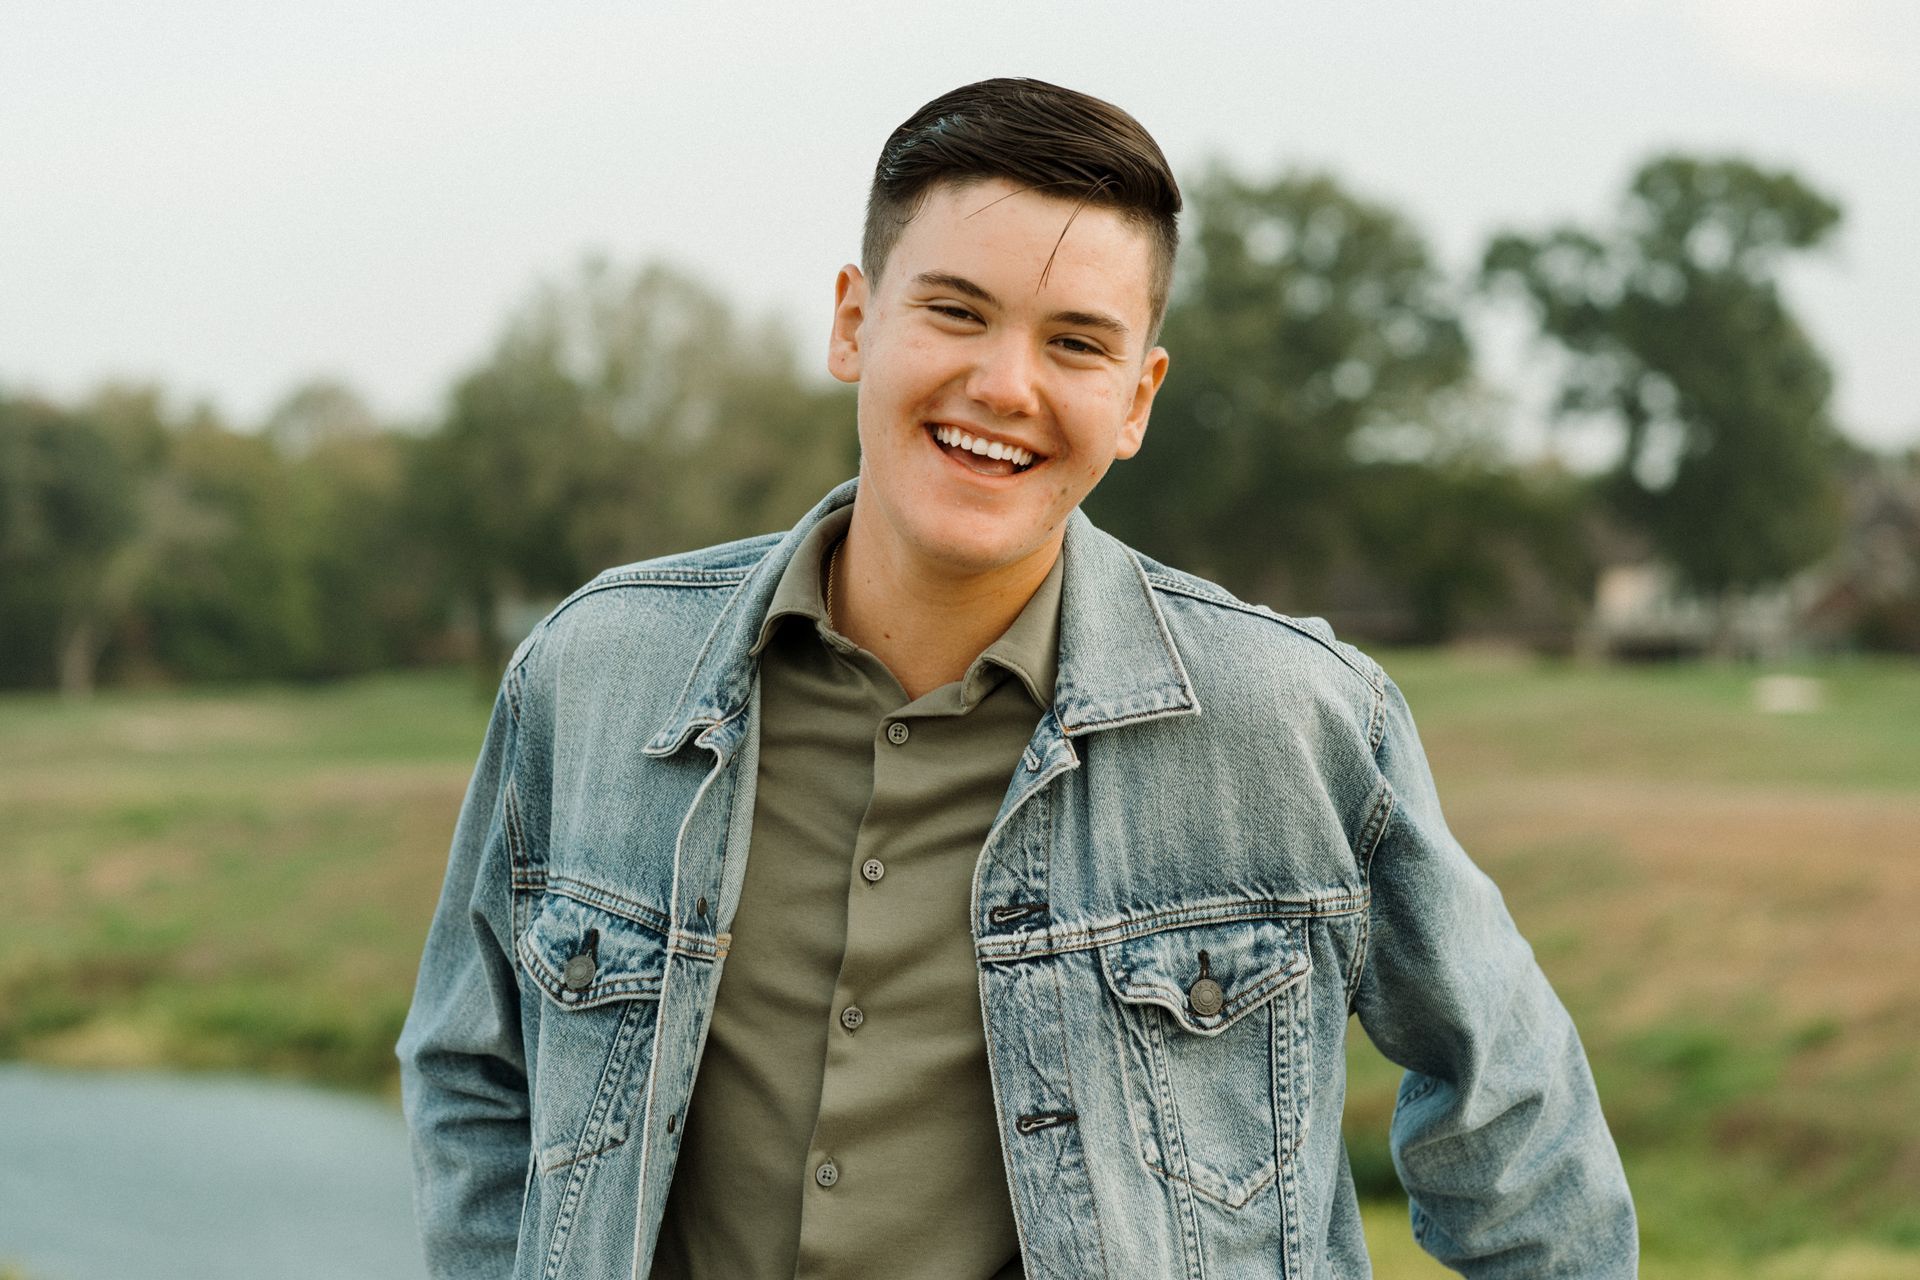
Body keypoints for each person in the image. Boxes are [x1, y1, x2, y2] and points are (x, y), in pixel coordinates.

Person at [395, 77, 1637, 1279]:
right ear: (853, 321)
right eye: (955, 311)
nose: (1004, 386)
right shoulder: (591, 675)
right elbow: (473, 1070)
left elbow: (1520, 1132)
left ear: (1137, 397)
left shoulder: (1296, 721)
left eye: (1076, 343)